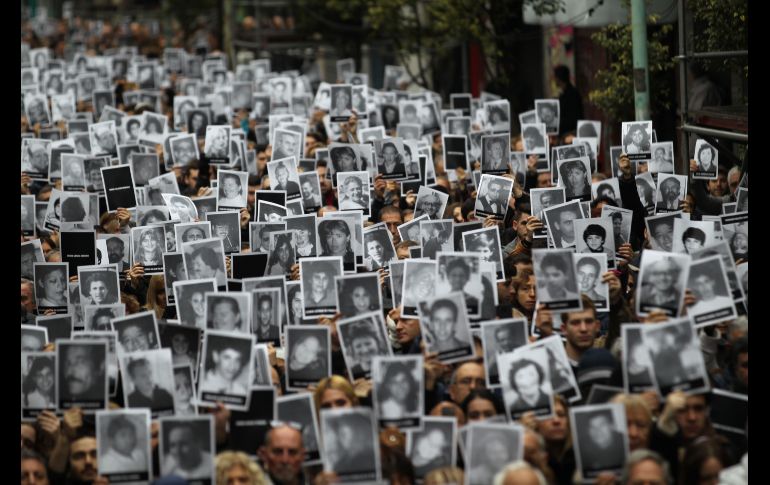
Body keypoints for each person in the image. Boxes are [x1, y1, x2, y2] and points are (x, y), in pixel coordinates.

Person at [577, 410, 626, 474]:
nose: (597, 431)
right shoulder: (582, 451)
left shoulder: (626, 443)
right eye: (592, 427)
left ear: (612, 426)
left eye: (602, 425)